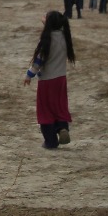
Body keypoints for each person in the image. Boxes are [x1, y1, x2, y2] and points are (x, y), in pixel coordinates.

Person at [22, 11, 75, 150]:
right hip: (61, 79)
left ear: (49, 23)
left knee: (45, 110)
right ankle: (63, 127)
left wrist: (29, 75)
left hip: (47, 81)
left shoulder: (47, 40)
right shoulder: (64, 37)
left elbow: (39, 61)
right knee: (60, 106)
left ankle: (50, 141)